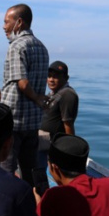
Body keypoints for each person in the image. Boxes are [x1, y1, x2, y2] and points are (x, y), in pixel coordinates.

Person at [0, 3, 49, 189]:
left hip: (14, 119)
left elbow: (22, 82)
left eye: (6, 22)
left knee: (6, 169)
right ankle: (31, 205)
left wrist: (35, 97)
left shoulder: (16, 46)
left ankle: (8, 210)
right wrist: (38, 101)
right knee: (30, 168)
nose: (4, 27)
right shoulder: (42, 47)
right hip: (33, 120)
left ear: (18, 22)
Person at [34, 60, 79, 194]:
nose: (51, 80)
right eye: (49, 76)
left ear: (65, 78)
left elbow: (68, 124)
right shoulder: (53, 94)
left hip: (52, 141)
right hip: (44, 138)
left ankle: (44, 195)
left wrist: (69, 152)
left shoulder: (67, 95)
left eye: (56, 76)